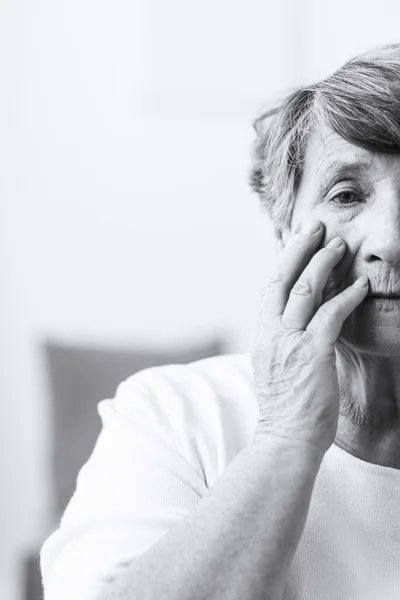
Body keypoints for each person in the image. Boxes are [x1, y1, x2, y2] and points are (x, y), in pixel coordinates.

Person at [40, 43, 400, 600]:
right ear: (286, 233)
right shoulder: (175, 414)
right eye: (347, 194)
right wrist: (287, 435)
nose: (390, 243)